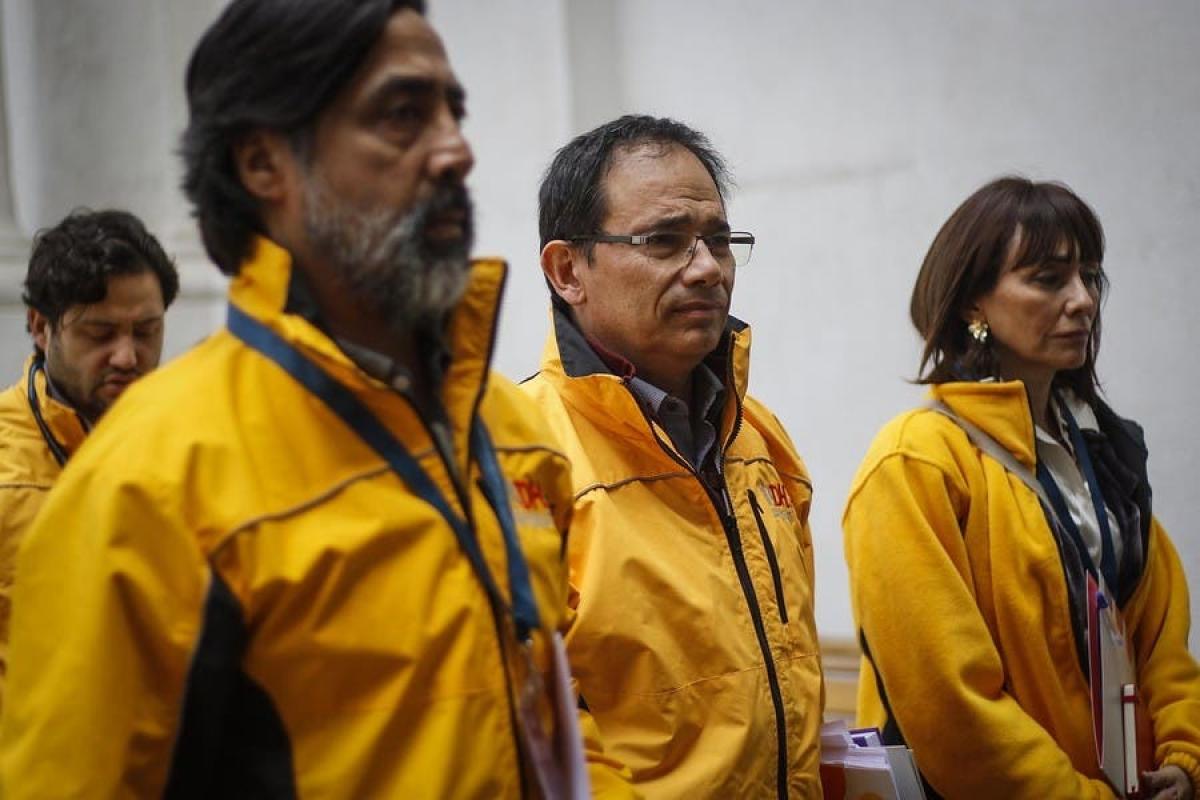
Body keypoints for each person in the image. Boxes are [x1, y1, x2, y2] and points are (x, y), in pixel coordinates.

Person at [0, 1, 633, 797]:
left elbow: (549, 731)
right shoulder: (146, 486)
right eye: (402, 115)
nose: (456, 150)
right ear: (263, 163)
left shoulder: (507, 429)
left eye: (453, 110)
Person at [843, 176, 1200, 799]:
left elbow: (1160, 641)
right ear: (972, 305)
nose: (1083, 300)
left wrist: (1185, 757)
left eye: (1090, 276)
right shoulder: (917, 461)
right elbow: (950, 705)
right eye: (1048, 279)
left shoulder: (1104, 452)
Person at [523, 114, 824, 798]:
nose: (708, 269)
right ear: (568, 270)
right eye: (664, 241)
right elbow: (529, 727)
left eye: (718, 240)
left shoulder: (760, 438)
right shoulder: (523, 455)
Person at [0, 208, 177, 712]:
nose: (127, 356)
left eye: (146, 331)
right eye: (101, 334)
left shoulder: (191, 445)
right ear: (40, 327)